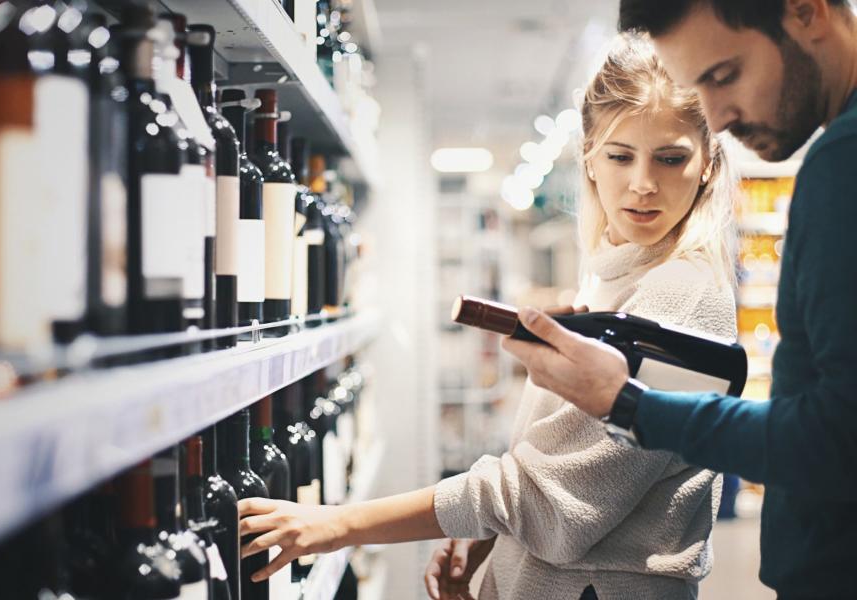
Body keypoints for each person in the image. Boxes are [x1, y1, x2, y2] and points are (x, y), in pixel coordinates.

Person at [237, 36, 740, 600]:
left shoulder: (683, 296)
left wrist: (337, 524)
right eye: (621, 156)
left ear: (707, 165)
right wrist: (487, 537)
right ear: (591, 161)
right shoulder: (613, 274)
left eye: (670, 158)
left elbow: (558, 500)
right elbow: (561, 462)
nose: (643, 183)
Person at [499, 1, 857, 598]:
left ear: (806, 12)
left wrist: (631, 404)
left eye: (723, 76)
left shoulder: (843, 165)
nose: (714, 119)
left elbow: (838, 434)